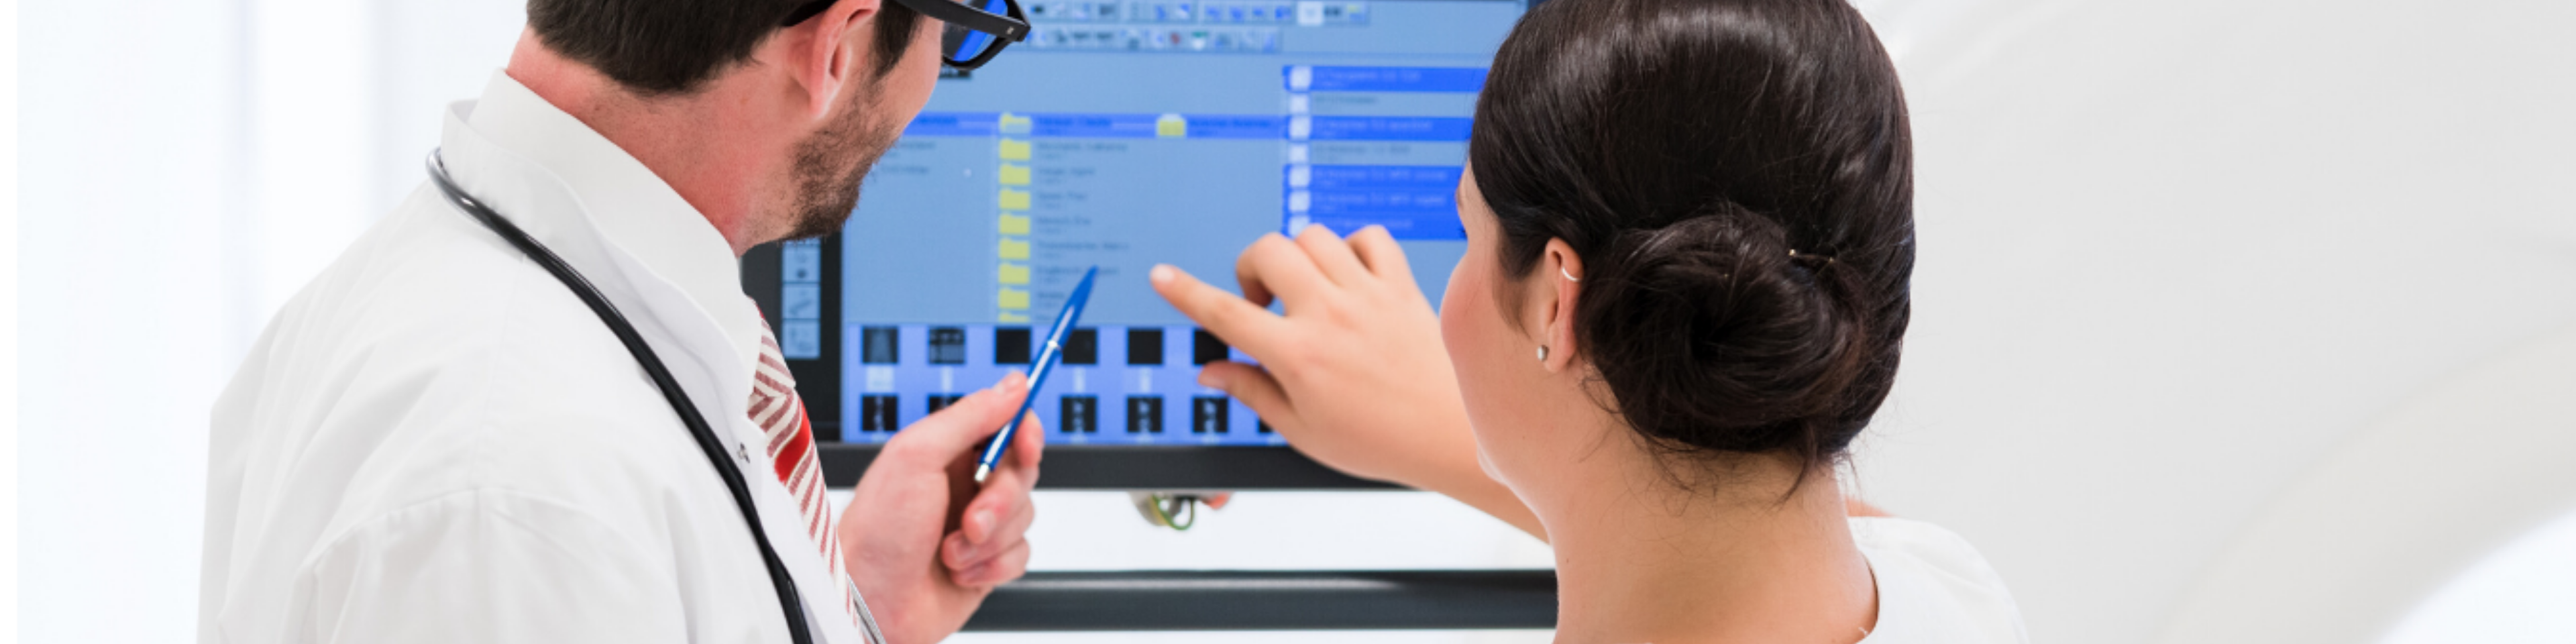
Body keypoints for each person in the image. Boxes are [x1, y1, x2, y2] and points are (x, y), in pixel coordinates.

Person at [1150, 0, 2029, 641]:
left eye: (1468, 233)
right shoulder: (1958, 595)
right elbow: (1779, 525)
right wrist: (1442, 419)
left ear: (1556, 298)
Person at [200, 1, 1042, 643]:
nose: (932, 85)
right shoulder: (525, 499)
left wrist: (844, 604)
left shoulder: (415, 299)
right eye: (959, 36)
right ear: (838, 45)